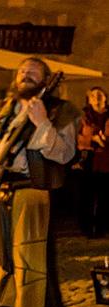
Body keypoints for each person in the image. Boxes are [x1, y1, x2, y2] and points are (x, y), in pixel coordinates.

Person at [0, 56, 79, 307]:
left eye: (33, 72)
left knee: (30, 260)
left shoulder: (60, 111)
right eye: (21, 72)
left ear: (46, 79)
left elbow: (65, 153)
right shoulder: (6, 108)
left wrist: (42, 122)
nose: (25, 75)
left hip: (32, 188)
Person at [77, 86, 109, 238]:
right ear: (89, 100)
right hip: (89, 161)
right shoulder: (84, 118)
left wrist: (104, 141)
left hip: (106, 162)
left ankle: (102, 228)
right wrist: (93, 140)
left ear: (105, 98)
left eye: (100, 95)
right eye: (93, 96)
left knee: (105, 197)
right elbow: (78, 138)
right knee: (87, 197)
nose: (97, 98)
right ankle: (87, 229)